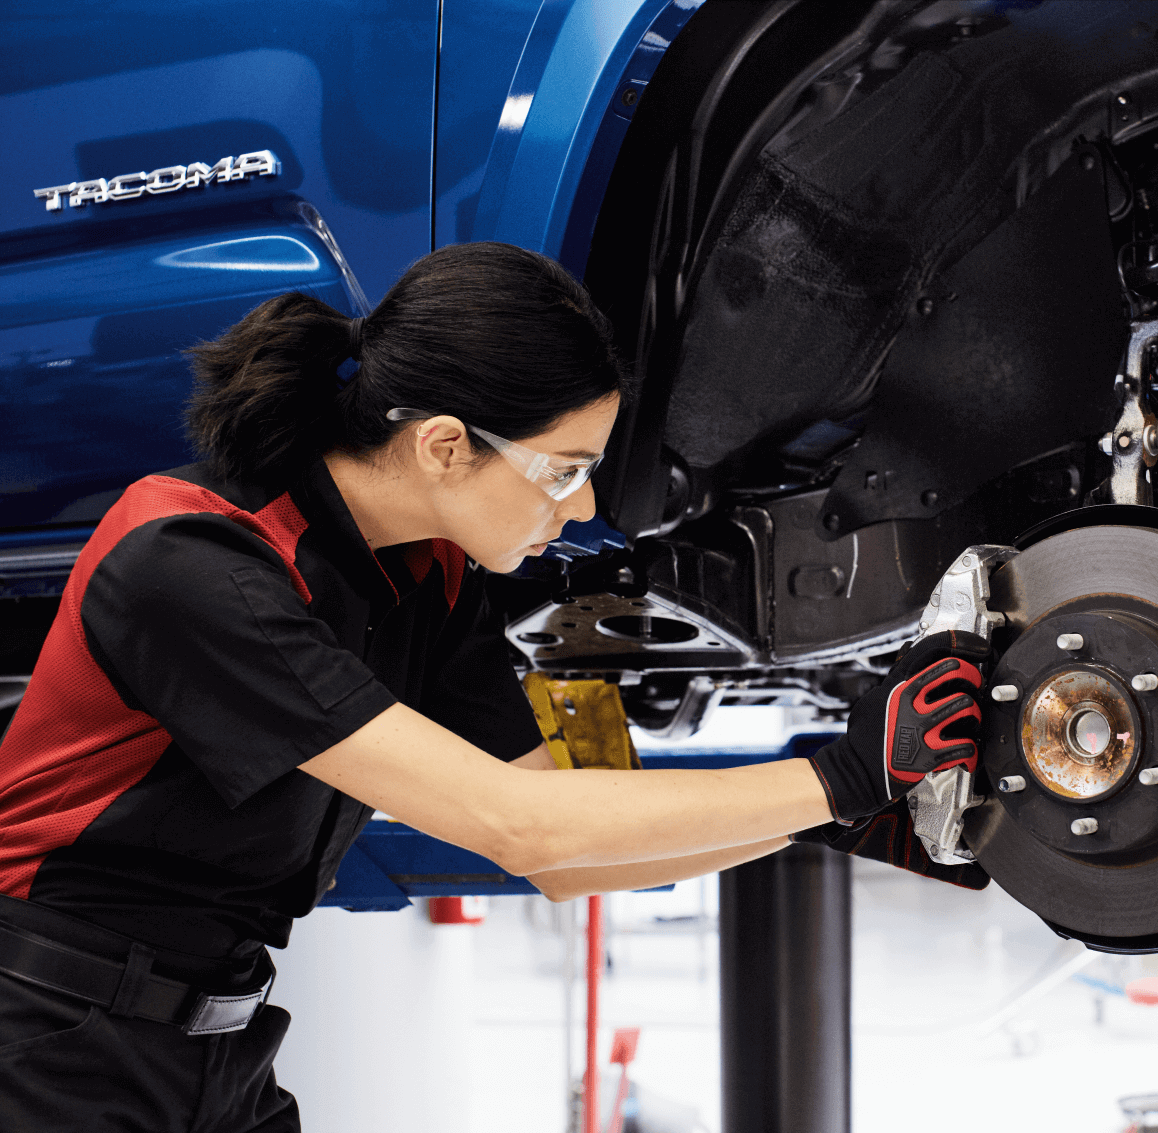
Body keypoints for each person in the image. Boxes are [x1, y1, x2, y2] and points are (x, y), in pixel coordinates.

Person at [0, 242, 989, 1131]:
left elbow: (581, 835)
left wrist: (823, 816)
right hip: (48, 1033)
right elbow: (521, 824)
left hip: (213, 1044)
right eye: (561, 470)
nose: (585, 505)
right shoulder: (194, 561)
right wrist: (839, 777)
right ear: (442, 443)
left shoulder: (435, 577)